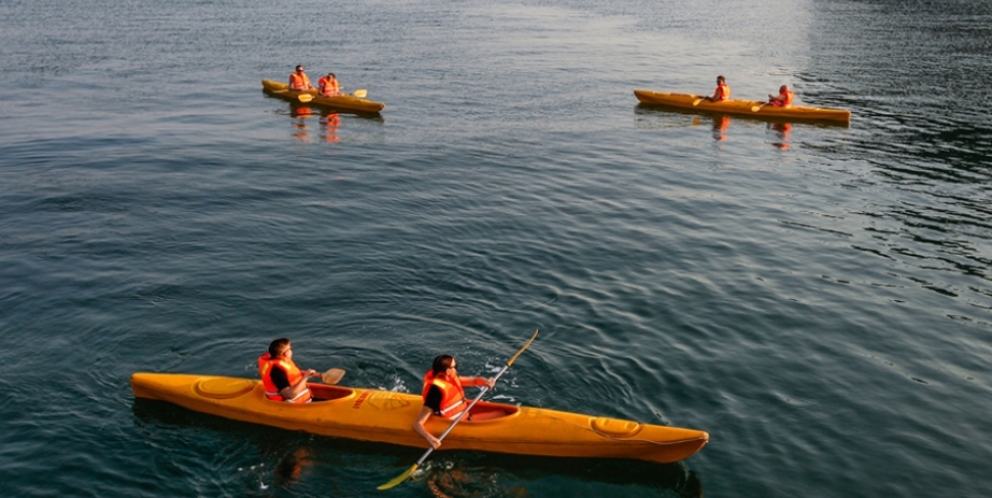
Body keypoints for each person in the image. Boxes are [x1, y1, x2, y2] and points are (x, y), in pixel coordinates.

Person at [413, 355, 498, 449]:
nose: (457, 369)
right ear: (448, 371)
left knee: (502, 412)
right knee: (501, 414)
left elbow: (473, 381)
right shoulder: (435, 393)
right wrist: (430, 438)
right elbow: (417, 424)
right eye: (455, 366)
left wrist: (485, 381)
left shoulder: (449, 378)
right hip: (458, 424)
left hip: (464, 416)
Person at [258, 338, 320, 403]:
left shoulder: (279, 361)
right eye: (290, 349)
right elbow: (290, 395)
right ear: (286, 353)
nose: (291, 351)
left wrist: (306, 374)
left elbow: (288, 375)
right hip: (289, 405)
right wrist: (305, 378)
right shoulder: (277, 371)